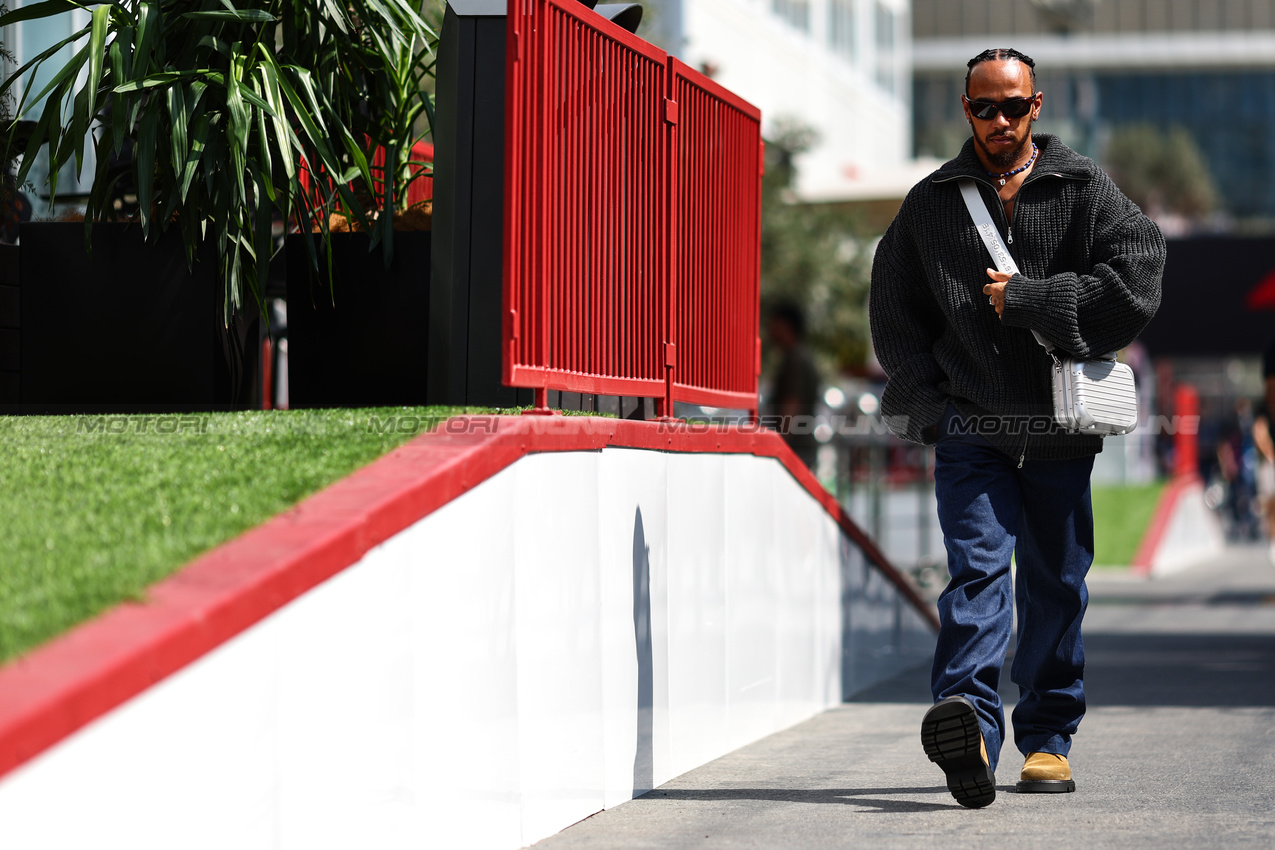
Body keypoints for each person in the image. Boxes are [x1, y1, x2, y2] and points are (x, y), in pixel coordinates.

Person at [869, 48, 1165, 808]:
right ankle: (968, 724)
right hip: (973, 430)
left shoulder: (1082, 187)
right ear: (963, 109)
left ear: (1037, 105)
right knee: (975, 575)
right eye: (982, 108)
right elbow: (895, 317)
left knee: (1054, 585)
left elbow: (1138, 277)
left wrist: (1036, 299)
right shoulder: (930, 205)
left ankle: (1046, 740)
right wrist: (927, 411)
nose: (997, 122)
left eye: (1011, 107)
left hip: (1062, 429)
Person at [765, 301, 822, 470]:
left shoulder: (795, 360)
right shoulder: (800, 356)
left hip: (796, 451)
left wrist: (780, 446)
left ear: (785, 325)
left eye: (773, 323)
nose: (770, 329)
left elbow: (792, 404)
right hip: (800, 448)